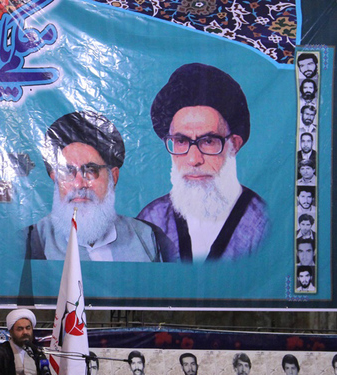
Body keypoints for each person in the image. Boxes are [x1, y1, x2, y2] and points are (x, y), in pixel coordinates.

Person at [138, 63, 268, 262]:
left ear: (234, 145)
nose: (193, 159)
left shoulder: (262, 224)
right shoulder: (152, 220)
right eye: (181, 141)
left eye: (208, 141)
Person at [26, 111, 172, 262]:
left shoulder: (146, 237)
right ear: (55, 178)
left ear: (113, 177)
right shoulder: (32, 242)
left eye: (90, 170)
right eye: (67, 172)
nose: (79, 184)